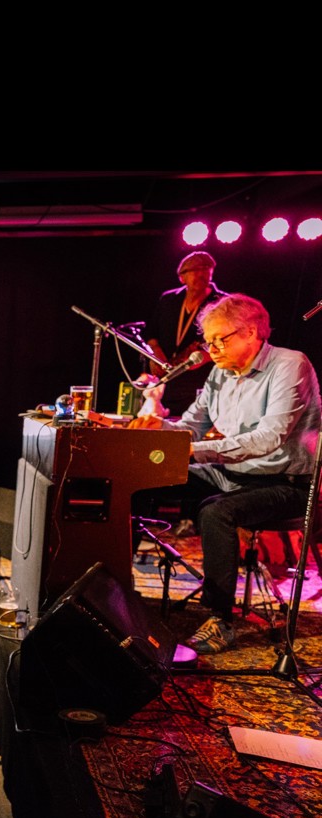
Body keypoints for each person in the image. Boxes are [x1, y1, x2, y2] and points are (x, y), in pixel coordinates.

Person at [129, 294, 321, 654]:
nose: (211, 349)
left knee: (216, 512)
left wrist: (192, 451)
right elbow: (190, 428)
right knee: (139, 484)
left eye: (220, 339)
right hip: (232, 473)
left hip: (285, 484)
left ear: (252, 332)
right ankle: (119, 590)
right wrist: (158, 425)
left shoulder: (289, 365)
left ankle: (221, 620)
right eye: (208, 341)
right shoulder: (219, 372)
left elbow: (268, 438)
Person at [143, 250, 227, 416]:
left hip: (201, 380)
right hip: (167, 380)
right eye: (195, 270)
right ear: (182, 277)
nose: (201, 274)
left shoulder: (223, 302)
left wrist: (205, 357)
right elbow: (151, 333)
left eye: (206, 269)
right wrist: (155, 355)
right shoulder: (168, 299)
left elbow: (229, 341)